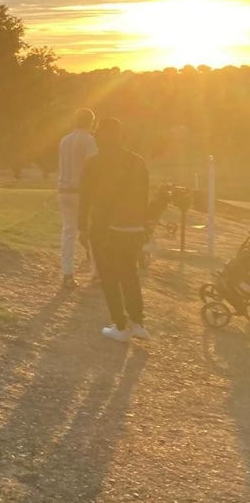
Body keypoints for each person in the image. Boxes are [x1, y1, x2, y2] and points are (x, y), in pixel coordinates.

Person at [78, 117, 151, 343]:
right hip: (134, 228)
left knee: (109, 276)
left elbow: (85, 199)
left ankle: (119, 325)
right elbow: (145, 197)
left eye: (97, 134)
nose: (96, 138)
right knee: (130, 274)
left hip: (105, 228)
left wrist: (83, 228)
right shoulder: (138, 161)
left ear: (102, 136)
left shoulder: (94, 163)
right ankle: (138, 323)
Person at [57, 108, 98, 291]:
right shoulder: (89, 140)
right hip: (82, 192)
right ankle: (96, 272)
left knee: (68, 232)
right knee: (93, 231)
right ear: (91, 122)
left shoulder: (64, 140)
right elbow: (93, 168)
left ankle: (67, 274)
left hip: (64, 190)